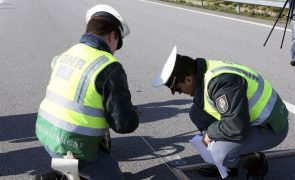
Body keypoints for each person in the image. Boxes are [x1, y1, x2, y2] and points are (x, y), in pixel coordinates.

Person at [35, 4, 140, 180]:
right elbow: (124, 124)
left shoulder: (67, 53)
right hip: (74, 144)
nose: (114, 50)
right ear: (112, 35)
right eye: (117, 44)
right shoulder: (109, 66)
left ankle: (68, 173)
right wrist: (132, 114)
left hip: (46, 134)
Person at [153, 46, 289, 179]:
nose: (180, 92)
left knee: (220, 153)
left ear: (188, 79)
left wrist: (210, 133)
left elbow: (237, 128)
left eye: (178, 89)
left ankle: (257, 163)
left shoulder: (221, 84)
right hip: (248, 120)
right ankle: (231, 167)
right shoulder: (205, 73)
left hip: (272, 126)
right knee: (197, 113)